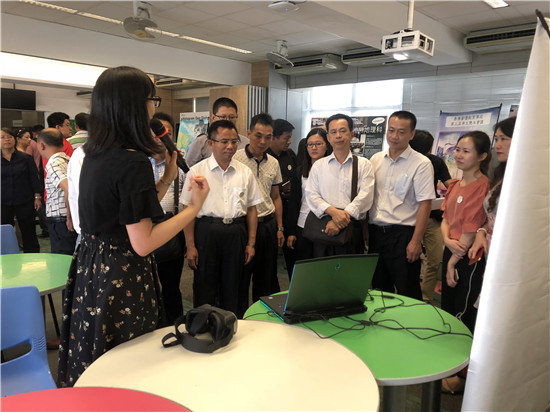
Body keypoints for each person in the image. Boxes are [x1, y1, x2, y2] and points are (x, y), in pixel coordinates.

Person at [57, 66, 210, 387]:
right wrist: (193, 209)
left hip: (93, 267)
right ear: (135, 105)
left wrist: (167, 178)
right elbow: (143, 241)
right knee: (127, 362)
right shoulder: (132, 161)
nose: (154, 107)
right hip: (121, 273)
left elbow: (127, 213)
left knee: (99, 357)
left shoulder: (94, 154)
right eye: (152, 99)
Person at [182, 120, 261, 317]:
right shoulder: (197, 171)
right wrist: (190, 246)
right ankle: (203, 325)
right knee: (205, 285)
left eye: (234, 141)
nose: (230, 146)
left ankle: (234, 325)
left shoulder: (245, 172)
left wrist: (251, 243)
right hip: (206, 232)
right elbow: (188, 211)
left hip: (236, 232)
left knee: (235, 284)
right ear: (211, 143)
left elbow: (252, 209)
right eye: (224, 141)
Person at [440, 130, 492, 394]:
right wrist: (446, 241)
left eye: (466, 151)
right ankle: (448, 365)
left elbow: (471, 230)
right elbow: (445, 219)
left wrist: (452, 261)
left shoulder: (483, 186)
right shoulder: (456, 185)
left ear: (482, 156)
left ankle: (462, 374)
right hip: (452, 248)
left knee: (463, 312)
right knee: (448, 308)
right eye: (457, 150)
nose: (459, 155)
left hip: (468, 256)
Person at [369, 111, 435, 300]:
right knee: (379, 290)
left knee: (408, 291)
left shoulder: (421, 164)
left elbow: (425, 204)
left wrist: (416, 241)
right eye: (391, 130)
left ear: (411, 134)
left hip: (403, 235)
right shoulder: (375, 160)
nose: (394, 136)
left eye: (401, 132)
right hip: (376, 234)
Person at [234, 113, 284, 312]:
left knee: (266, 278)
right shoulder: (235, 159)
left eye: (268, 137)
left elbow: (276, 197)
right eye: (258, 136)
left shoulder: (273, 162)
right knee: (241, 277)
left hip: (268, 225)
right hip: (243, 226)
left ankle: (262, 318)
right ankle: (239, 318)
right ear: (249, 133)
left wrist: (280, 227)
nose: (263, 142)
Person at [305, 114, 374, 257]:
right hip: (324, 228)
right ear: (328, 137)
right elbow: (312, 195)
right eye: (333, 132)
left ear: (352, 134)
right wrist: (333, 213)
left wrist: (340, 220)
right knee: (323, 269)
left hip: (352, 229)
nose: (338, 136)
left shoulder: (364, 165)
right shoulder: (319, 166)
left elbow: (365, 196)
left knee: (351, 270)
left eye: (343, 131)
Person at [149, 112, 186, 324]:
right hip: (143, 231)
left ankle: (175, 326)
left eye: (167, 134)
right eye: (156, 133)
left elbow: (186, 202)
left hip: (172, 232)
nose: (161, 138)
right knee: (146, 287)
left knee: (171, 287)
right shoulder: (138, 164)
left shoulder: (180, 166)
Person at [409, 130, 453, 303]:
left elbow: (450, 185)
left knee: (434, 259)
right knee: (407, 260)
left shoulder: (435, 162)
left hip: (431, 216)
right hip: (406, 219)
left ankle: (425, 298)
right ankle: (409, 296)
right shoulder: (402, 161)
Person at [469, 117, 516, 258]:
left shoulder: (531, 179)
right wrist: (482, 231)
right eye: (496, 139)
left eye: (503, 139)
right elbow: (492, 217)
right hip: (491, 250)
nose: (497, 145)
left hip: (512, 253)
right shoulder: (500, 174)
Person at [286, 128, 331, 262]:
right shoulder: (300, 171)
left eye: (318, 144)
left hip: (327, 225)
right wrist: (291, 231)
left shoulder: (334, 170)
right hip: (304, 223)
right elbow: (294, 203)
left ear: (327, 145)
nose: (314, 148)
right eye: (310, 144)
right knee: (304, 263)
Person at [36, 128, 78, 255]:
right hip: (66, 218)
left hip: (61, 219)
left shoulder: (53, 164)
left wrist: (69, 217)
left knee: (62, 257)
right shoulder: (68, 160)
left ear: (42, 145)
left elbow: (68, 188)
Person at [1, 127, 41, 253]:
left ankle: (32, 257)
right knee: (4, 232)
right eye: (2, 137)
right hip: (3, 202)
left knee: (29, 231)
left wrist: (37, 197)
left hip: (24, 199)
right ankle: (5, 258)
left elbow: (34, 178)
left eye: (9, 137)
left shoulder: (25, 158)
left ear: (15, 139)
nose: (6, 140)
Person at [267, 119, 297, 278]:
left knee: (293, 257)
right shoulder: (265, 157)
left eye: (290, 137)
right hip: (271, 215)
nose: (289, 141)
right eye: (286, 138)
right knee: (269, 262)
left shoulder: (290, 155)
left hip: (290, 212)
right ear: (274, 137)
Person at [186, 97, 249, 167]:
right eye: (223, 117)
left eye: (231, 117)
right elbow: (189, 167)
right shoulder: (201, 142)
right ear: (213, 117)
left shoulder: (246, 142)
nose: (227, 120)